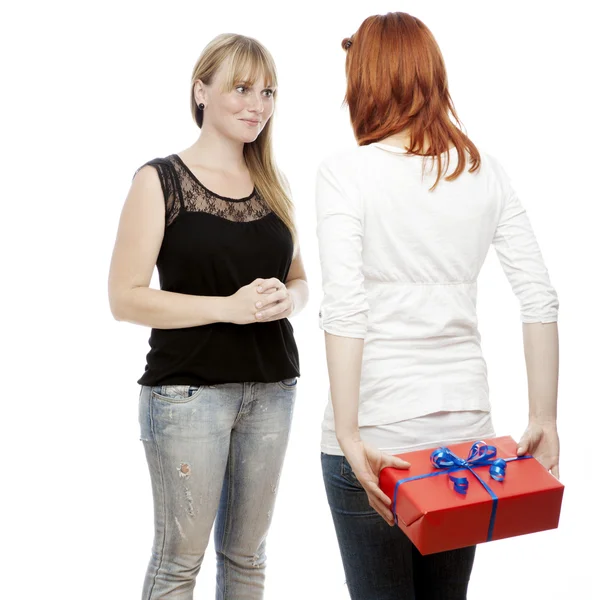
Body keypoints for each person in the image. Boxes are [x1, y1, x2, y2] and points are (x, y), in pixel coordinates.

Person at [316, 12, 559, 600]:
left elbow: (345, 308)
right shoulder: (481, 172)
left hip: (378, 434)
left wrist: (349, 434)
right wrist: (545, 419)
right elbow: (539, 296)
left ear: (365, 82)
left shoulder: (346, 172)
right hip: (465, 439)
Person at [108, 33, 308, 600]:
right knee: (178, 565)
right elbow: (124, 298)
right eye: (242, 88)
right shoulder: (160, 180)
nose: (257, 105)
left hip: (273, 390)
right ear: (201, 91)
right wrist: (229, 309)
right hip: (188, 395)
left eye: (268, 92)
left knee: (248, 560)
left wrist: (290, 301)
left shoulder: (273, 183)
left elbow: (299, 278)